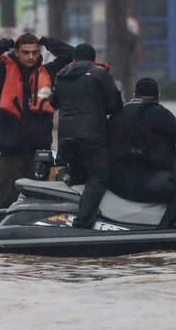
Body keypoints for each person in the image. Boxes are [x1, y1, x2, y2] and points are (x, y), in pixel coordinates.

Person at [0, 31, 73, 208]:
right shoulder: (1, 74)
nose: (30, 57)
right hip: (9, 156)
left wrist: (44, 40)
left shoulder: (49, 73)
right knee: (3, 204)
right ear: (16, 52)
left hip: (39, 155)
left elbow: (71, 54)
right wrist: (9, 41)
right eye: (25, 52)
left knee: (42, 205)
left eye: (35, 52)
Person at [107, 78, 176, 229]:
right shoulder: (158, 113)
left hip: (117, 182)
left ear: (134, 95)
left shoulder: (118, 114)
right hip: (144, 181)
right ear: (158, 96)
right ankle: (163, 230)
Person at [49, 43, 122, 229]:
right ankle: (84, 223)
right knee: (99, 177)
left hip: (66, 139)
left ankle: (68, 218)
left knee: (77, 177)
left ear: (74, 59)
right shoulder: (99, 73)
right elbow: (115, 105)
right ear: (93, 58)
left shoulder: (61, 75)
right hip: (93, 136)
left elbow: (54, 102)